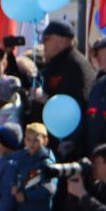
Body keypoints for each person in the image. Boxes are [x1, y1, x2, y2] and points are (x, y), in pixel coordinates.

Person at [36, 20, 94, 157]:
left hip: (68, 143)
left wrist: (47, 100)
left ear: (63, 41)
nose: (43, 43)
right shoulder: (53, 65)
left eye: (47, 38)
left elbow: (80, 103)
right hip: (49, 139)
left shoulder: (76, 65)